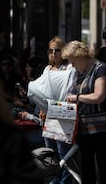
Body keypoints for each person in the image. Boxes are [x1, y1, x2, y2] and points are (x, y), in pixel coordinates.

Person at [63, 40, 106, 184]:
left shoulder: (101, 69)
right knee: (87, 169)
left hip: (102, 129)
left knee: (105, 169)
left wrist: (77, 97)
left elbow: (99, 96)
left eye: (73, 61)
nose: (72, 65)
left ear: (80, 56)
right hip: (83, 129)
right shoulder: (79, 73)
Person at [30, 36, 74, 184]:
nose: (54, 53)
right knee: (50, 152)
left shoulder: (69, 68)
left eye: (57, 50)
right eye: (51, 50)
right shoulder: (47, 69)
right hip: (48, 115)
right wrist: (41, 107)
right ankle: (53, 179)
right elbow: (42, 90)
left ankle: (64, 181)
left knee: (64, 153)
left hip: (62, 114)